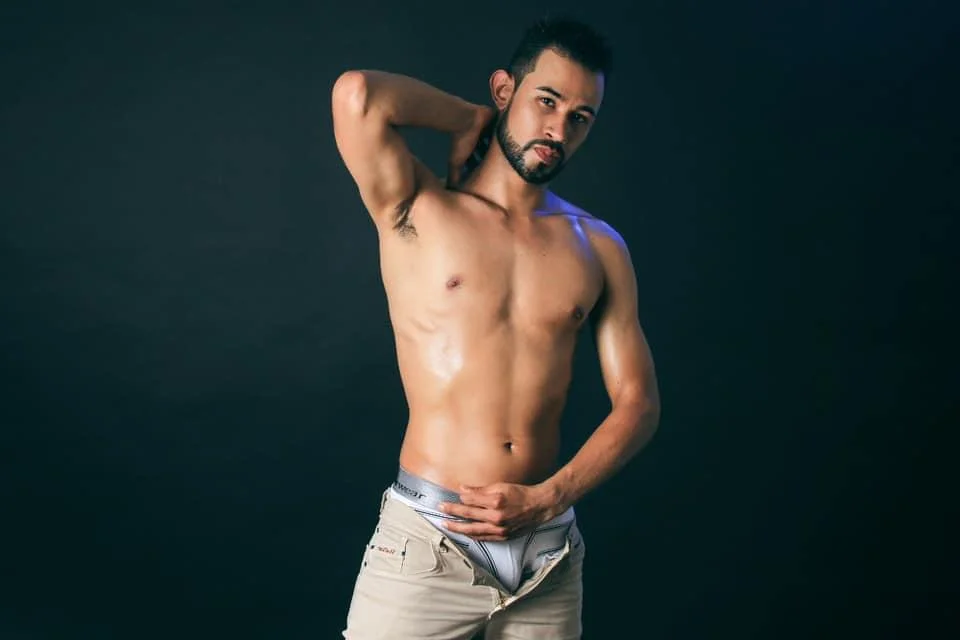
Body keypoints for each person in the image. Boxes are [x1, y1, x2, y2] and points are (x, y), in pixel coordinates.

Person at [332, 16, 661, 640]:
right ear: (505, 90)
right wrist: (468, 119)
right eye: (547, 101)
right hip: (430, 543)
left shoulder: (598, 246)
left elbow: (639, 404)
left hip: (547, 555)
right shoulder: (418, 208)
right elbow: (358, 95)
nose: (558, 130)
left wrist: (551, 496)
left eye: (580, 117)